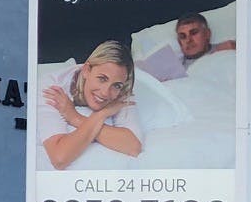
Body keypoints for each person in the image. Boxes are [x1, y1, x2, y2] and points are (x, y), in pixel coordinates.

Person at [40, 40, 142, 169]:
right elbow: (60, 158)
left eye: (116, 85)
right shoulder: (52, 87)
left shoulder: (122, 90)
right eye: (102, 79)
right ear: (87, 70)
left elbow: (133, 146)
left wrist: (76, 117)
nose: (105, 93)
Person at [139, 13, 236, 82]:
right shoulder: (174, 69)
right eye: (183, 36)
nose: (188, 40)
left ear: (207, 34)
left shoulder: (228, 49)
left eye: (193, 33)